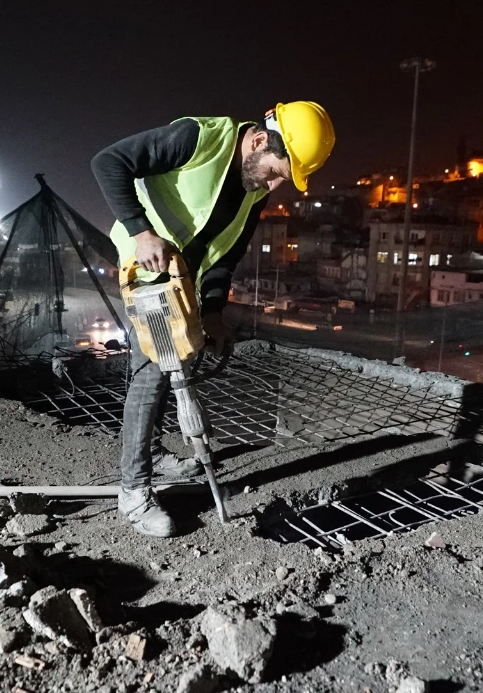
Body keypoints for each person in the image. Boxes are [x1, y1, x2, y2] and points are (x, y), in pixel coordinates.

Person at [92, 102, 335, 537]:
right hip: (145, 266)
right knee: (153, 372)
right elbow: (109, 161)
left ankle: (148, 454)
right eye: (278, 171)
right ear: (259, 142)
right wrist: (140, 230)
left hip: (184, 277)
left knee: (172, 367)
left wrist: (214, 311)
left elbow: (228, 253)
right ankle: (133, 491)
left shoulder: (253, 189)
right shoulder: (197, 139)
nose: (276, 185)